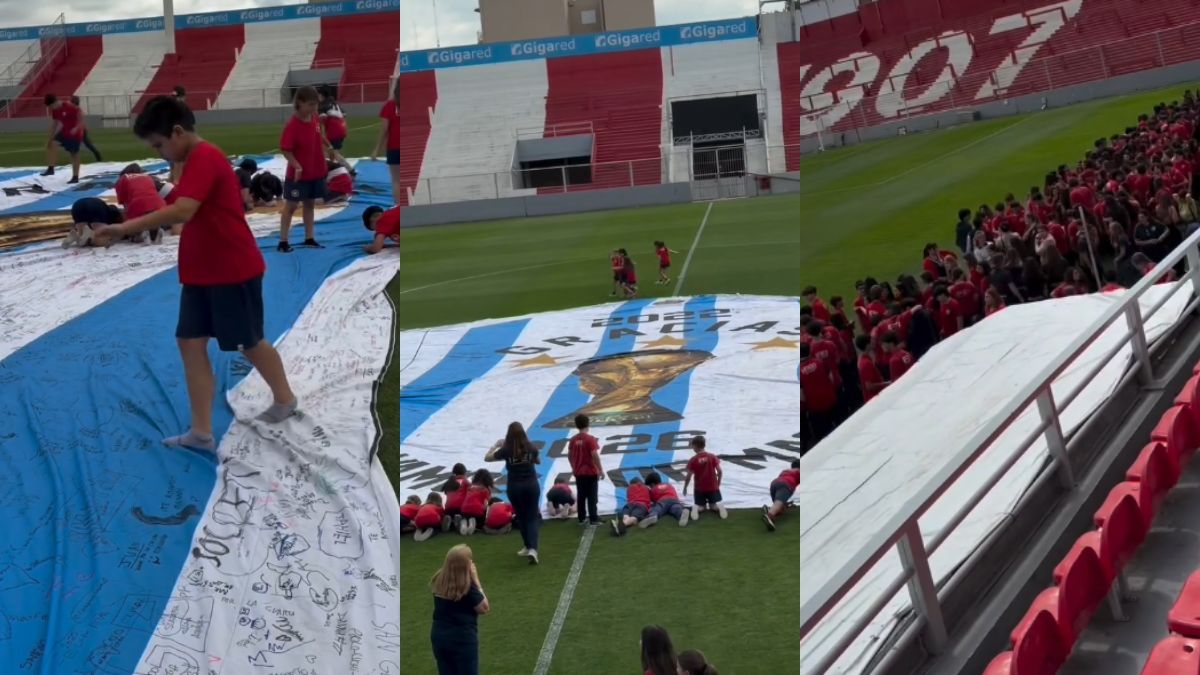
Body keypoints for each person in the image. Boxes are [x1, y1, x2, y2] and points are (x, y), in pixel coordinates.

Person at [91, 95, 299, 452]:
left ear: (177, 131)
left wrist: (125, 228)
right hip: (202, 271)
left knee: (249, 342)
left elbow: (184, 210)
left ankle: (285, 399)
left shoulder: (205, 156)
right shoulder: (188, 161)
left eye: (159, 145)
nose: (159, 153)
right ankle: (201, 433)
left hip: (232, 268)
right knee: (189, 342)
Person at [278, 86, 330, 252]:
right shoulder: (293, 125)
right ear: (299, 103)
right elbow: (285, 149)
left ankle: (309, 237)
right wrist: (296, 165)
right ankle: (283, 241)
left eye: (315, 104)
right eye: (310, 104)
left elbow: (316, 134)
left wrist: (327, 145)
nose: (314, 108)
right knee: (291, 206)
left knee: (310, 203)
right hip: (298, 175)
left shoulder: (314, 118)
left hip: (315, 170)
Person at [484, 422, 542, 564]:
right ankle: (532, 548)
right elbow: (538, 460)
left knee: (521, 516)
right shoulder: (531, 447)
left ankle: (528, 546)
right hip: (531, 485)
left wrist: (497, 445)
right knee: (531, 517)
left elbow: (487, 458)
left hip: (515, 487)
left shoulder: (506, 450)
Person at [430, 544, 489, 675]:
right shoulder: (467, 587)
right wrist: (476, 580)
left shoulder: (439, 579)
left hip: (439, 636)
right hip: (462, 639)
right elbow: (484, 608)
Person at [115, 163, 168, 244]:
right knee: (151, 217)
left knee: (132, 227)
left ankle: (141, 232)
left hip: (138, 203)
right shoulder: (148, 177)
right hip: (159, 203)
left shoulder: (122, 179)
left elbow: (125, 204)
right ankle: (155, 229)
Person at [567, 413, 603, 525]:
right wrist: (600, 469)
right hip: (590, 472)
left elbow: (569, 455)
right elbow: (594, 455)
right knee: (592, 496)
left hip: (579, 472)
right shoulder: (590, 439)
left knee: (581, 495)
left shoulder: (573, 440)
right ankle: (593, 518)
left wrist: (573, 467)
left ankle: (581, 518)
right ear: (588, 424)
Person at [41, 94, 84, 183]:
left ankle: (75, 177)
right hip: (64, 131)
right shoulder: (55, 110)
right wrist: (50, 138)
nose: (51, 108)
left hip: (75, 134)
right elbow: (55, 124)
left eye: (51, 106)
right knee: (52, 144)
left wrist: (76, 128)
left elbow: (81, 117)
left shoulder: (69, 106)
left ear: (55, 102)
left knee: (74, 154)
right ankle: (51, 168)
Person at [682, 436, 725, 520]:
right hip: (712, 486)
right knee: (713, 505)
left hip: (699, 488)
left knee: (702, 507)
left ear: (695, 446)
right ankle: (717, 507)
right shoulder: (712, 457)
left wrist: (685, 487)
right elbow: (719, 471)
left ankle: (697, 509)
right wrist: (718, 483)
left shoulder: (693, 460)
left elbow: (688, 476)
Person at [373, 79, 401, 204]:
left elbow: (384, 129)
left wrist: (377, 149)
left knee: (396, 180)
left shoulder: (390, 106)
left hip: (394, 147)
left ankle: (399, 206)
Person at [763, 459, 800, 532]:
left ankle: (770, 510)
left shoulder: (785, 471)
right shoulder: (799, 471)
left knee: (780, 507)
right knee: (778, 503)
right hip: (786, 484)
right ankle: (769, 516)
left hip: (774, 483)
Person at [459, 469, 494, 536]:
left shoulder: (470, 487)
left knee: (467, 516)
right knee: (481, 521)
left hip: (464, 510)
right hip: (477, 511)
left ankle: (464, 522)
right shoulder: (485, 489)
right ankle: (475, 525)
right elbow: (487, 504)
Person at [856, 334, 887, 404]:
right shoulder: (865, 363)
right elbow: (869, 386)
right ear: (867, 345)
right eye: (871, 341)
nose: (873, 342)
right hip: (874, 399)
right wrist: (887, 383)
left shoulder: (866, 359)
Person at [69, 96, 102, 161]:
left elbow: (80, 120)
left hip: (79, 130)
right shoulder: (74, 109)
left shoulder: (77, 110)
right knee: (85, 144)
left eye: (71, 101)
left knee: (85, 144)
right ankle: (97, 155)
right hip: (79, 129)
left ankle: (97, 154)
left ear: (73, 102)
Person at [442, 463, 471, 531]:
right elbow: (470, 494)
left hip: (448, 508)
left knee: (451, 516)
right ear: (464, 472)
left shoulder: (449, 482)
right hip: (461, 508)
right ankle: (460, 522)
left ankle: (451, 522)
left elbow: (447, 494)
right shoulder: (465, 481)